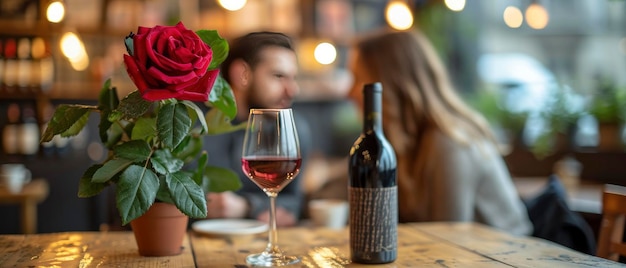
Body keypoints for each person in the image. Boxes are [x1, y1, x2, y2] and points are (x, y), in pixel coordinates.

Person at [347, 29, 533, 236]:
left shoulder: (449, 144)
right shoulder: (404, 142)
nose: (349, 92)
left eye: (357, 79)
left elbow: (448, 242)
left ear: (391, 85)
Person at [202, 31, 309, 227]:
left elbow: (294, 205)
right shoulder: (195, 127)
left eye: (293, 78)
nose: (292, 90)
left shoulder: (291, 129)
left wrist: (246, 206)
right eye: (278, 76)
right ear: (241, 74)